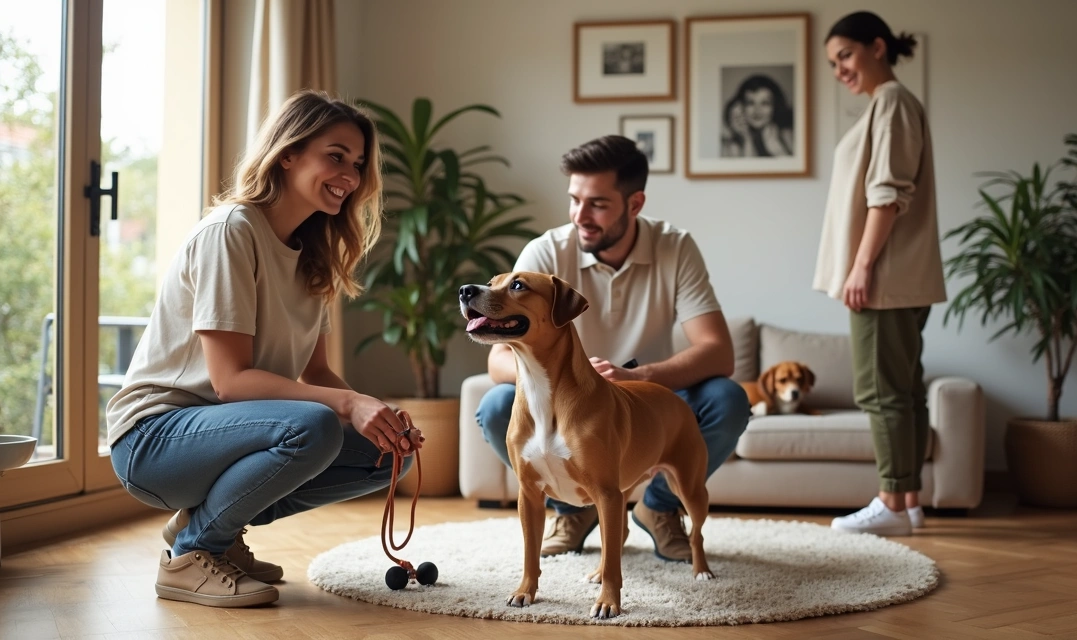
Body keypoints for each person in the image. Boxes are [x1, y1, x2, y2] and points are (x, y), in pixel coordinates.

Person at [105, 90, 423, 608]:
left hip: (229, 433)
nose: (350, 175)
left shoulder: (314, 253)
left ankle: (216, 527)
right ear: (288, 153)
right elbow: (231, 382)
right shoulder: (231, 232)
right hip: (154, 439)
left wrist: (377, 416)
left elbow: (316, 373)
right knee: (313, 425)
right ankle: (193, 551)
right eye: (336, 156)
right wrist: (348, 404)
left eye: (358, 164)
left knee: (385, 457)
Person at [476, 134, 751, 562]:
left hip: (646, 399)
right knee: (496, 406)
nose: (580, 216)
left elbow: (718, 352)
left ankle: (658, 508)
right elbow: (498, 359)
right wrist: (571, 379)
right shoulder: (544, 254)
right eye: (574, 200)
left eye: (598, 204)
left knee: (727, 399)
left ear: (635, 203)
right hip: (568, 402)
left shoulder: (675, 247)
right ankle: (574, 509)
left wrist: (638, 376)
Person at [813, 12, 946, 536]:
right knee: (905, 391)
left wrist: (861, 266)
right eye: (833, 63)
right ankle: (908, 501)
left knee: (881, 392)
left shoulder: (891, 103)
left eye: (845, 55)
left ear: (876, 47)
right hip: (902, 275)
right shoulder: (892, 104)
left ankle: (891, 503)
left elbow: (887, 195)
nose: (840, 70)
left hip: (884, 276)